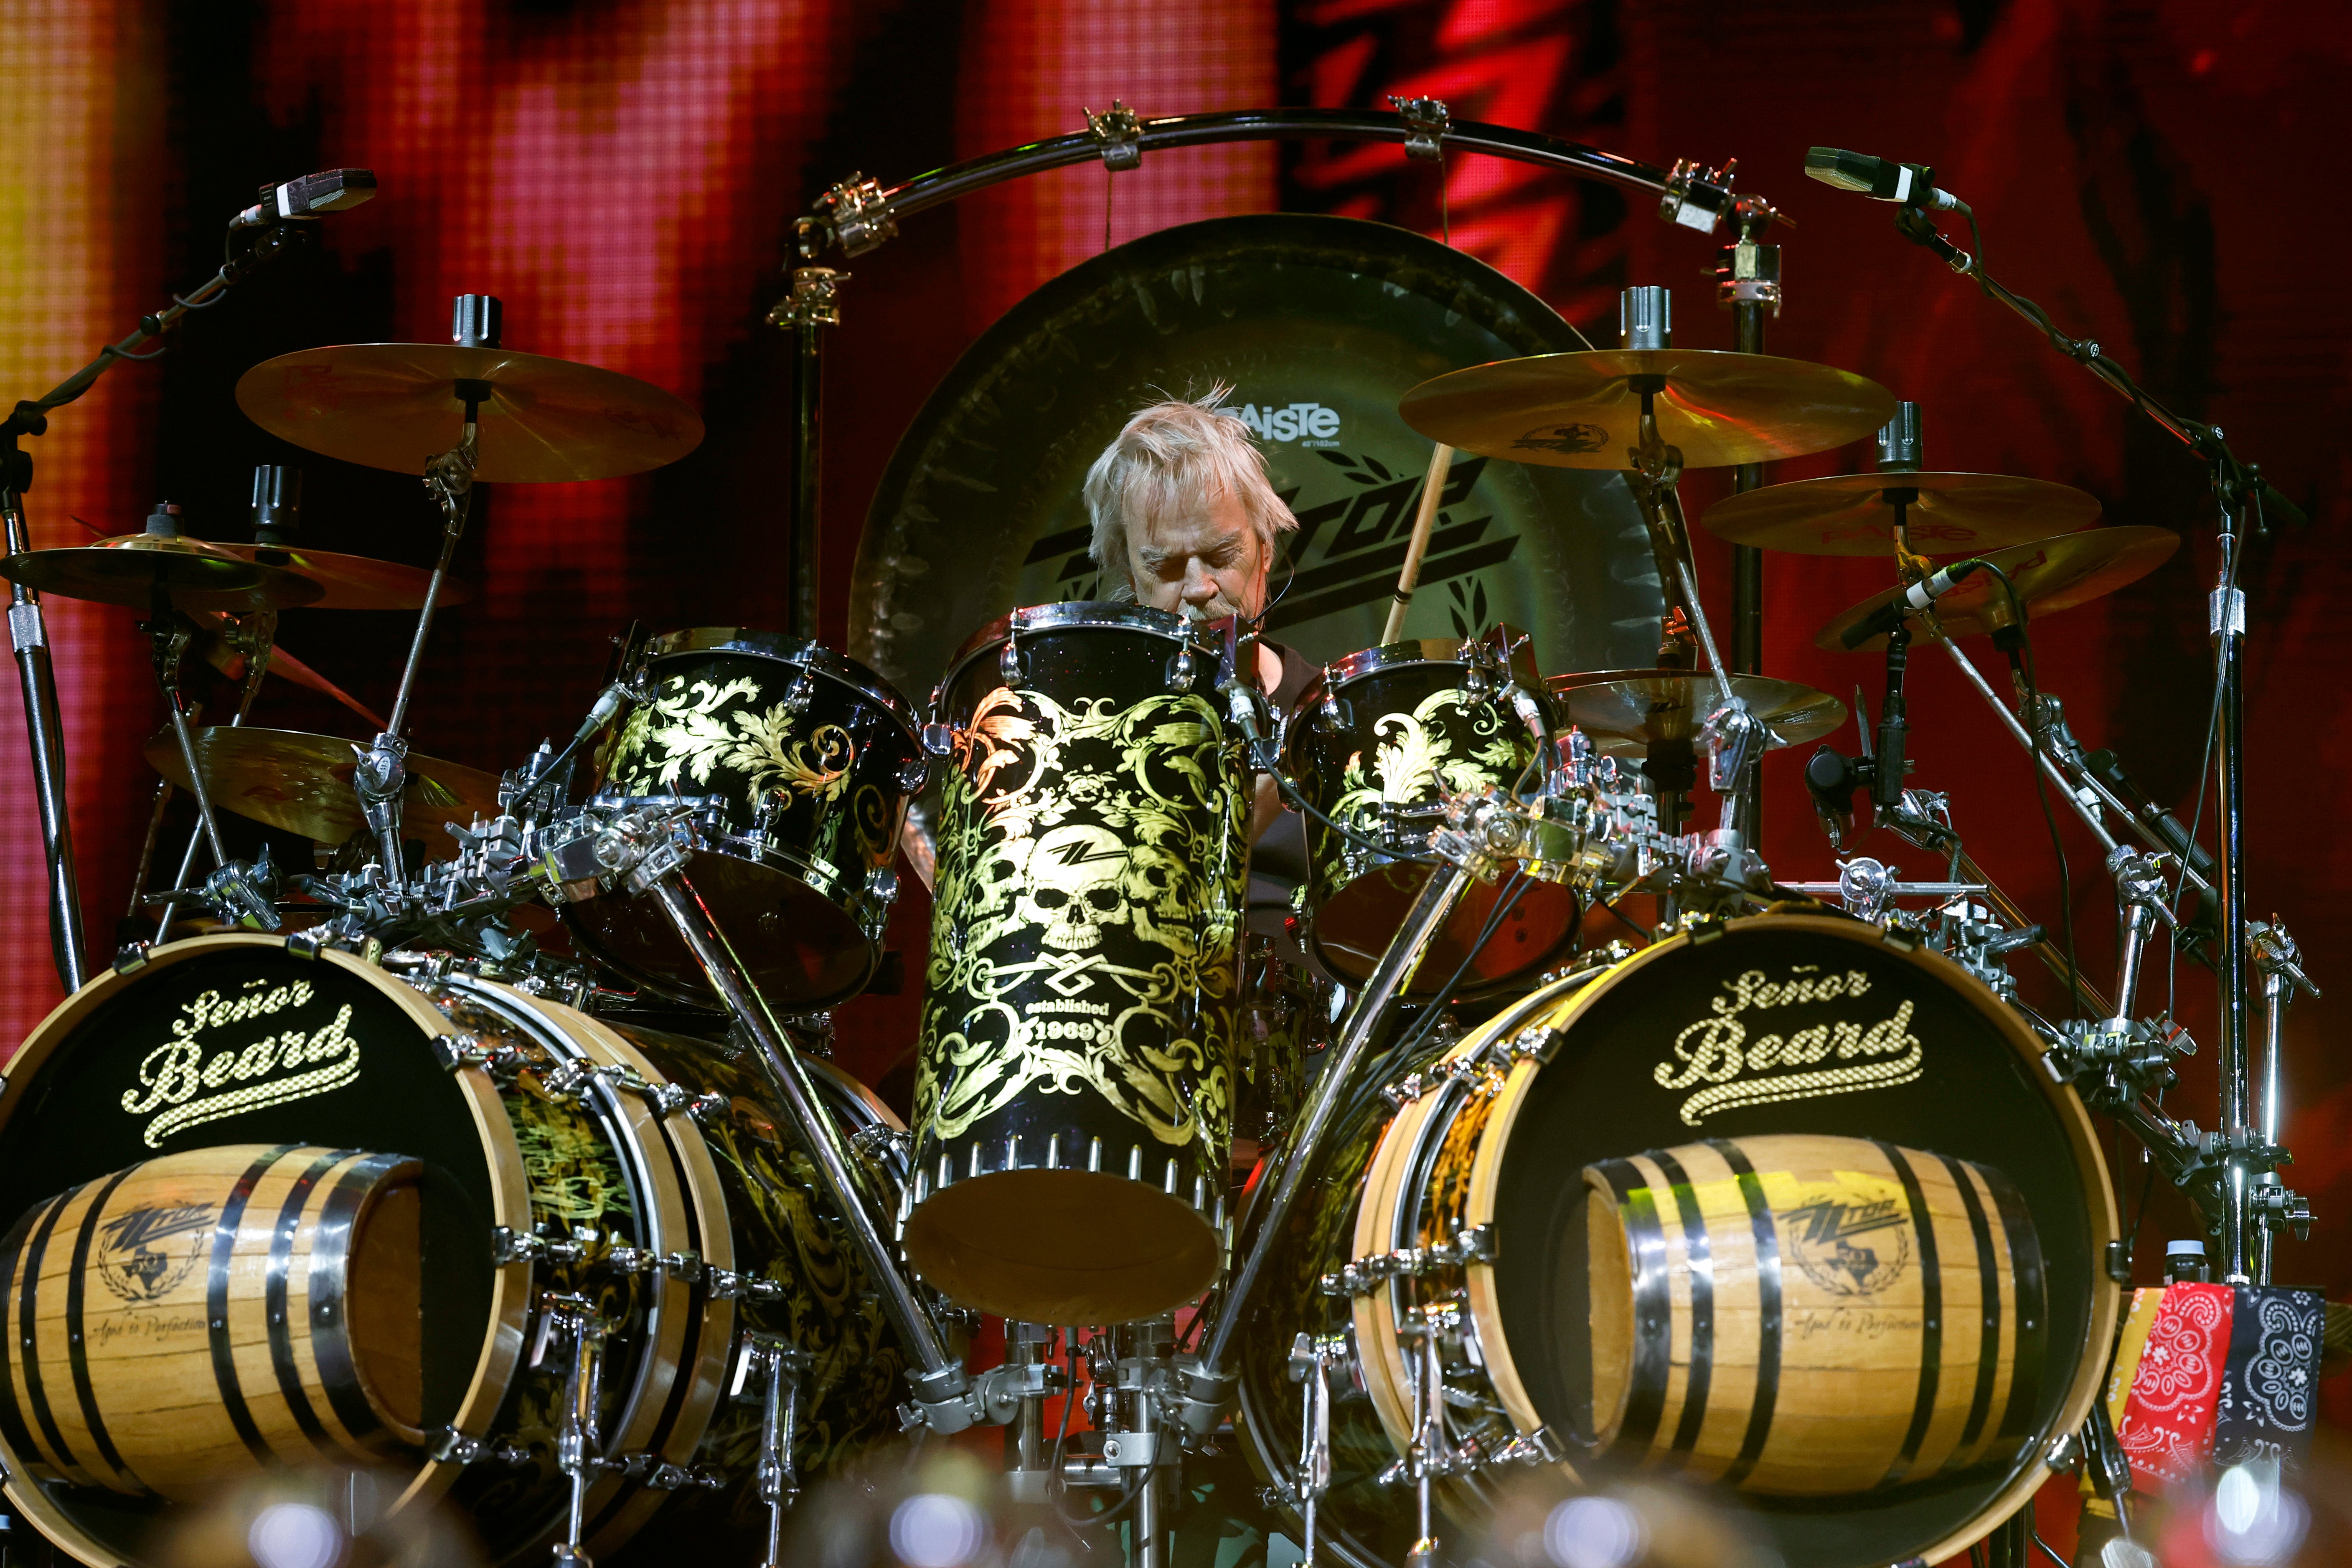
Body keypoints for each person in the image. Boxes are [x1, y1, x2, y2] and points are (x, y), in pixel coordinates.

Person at [1080, 387, 1314, 848]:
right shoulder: (1088, 729)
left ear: (1265, 551)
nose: (1197, 588)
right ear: (1130, 573)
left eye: (1220, 555)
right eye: (1164, 567)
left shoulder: (1330, 719)